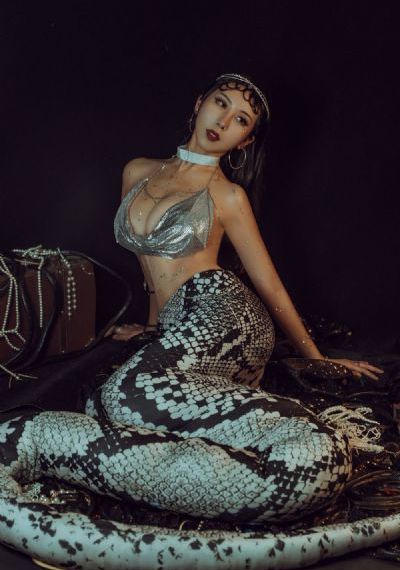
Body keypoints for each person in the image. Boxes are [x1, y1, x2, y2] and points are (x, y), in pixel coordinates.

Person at [0, 73, 389, 570]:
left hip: (225, 311)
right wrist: (153, 330)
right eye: (220, 103)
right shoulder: (137, 171)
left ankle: (300, 443)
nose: (223, 120)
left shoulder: (227, 197)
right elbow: (150, 270)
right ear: (199, 103)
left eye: (240, 119)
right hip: (181, 320)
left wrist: (315, 357)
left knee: (124, 398)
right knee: (113, 401)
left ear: (244, 141)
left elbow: (268, 285)